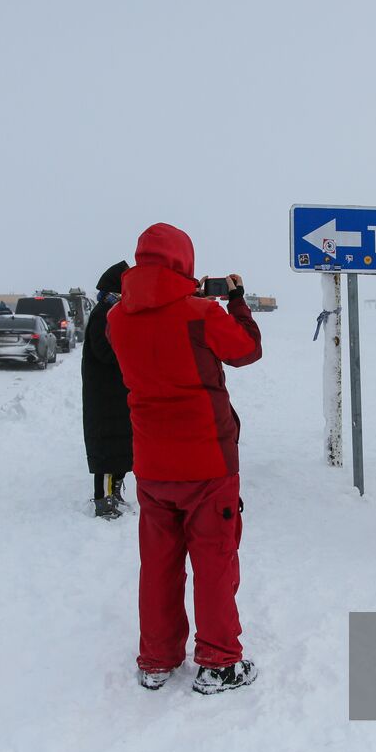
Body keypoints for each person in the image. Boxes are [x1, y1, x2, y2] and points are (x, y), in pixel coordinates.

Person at [107, 223, 262, 695]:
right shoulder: (200, 312)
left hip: (152, 464)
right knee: (214, 560)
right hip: (207, 463)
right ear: (185, 264)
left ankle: (156, 658)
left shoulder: (117, 318)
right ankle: (218, 662)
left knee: (158, 564)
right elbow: (247, 350)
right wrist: (235, 300)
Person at [82, 261, 132, 520]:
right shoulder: (105, 312)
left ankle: (115, 492)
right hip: (104, 393)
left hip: (116, 391)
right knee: (106, 449)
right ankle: (103, 501)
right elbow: (104, 351)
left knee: (120, 445)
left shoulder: (114, 310)